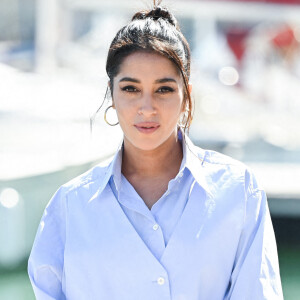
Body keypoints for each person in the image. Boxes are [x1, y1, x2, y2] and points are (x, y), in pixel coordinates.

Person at [28, 2, 284, 299]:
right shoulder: (70, 207)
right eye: (130, 89)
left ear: (186, 96)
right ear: (112, 94)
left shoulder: (239, 191)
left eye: (163, 89)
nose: (146, 108)